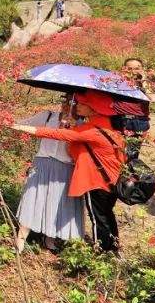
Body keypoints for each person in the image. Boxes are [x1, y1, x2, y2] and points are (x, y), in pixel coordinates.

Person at [12, 90, 125, 253]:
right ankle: (112, 250)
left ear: (93, 109)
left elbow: (59, 137)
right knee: (104, 215)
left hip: (94, 179)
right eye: (71, 102)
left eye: (79, 103)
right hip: (102, 179)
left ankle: (103, 251)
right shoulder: (101, 126)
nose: (74, 106)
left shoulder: (92, 129)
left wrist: (21, 127)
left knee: (97, 217)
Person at [13, 94, 83, 253]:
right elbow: (25, 124)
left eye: (73, 103)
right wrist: (9, 123)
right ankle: (21, 238)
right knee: (32, 197)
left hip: (65, 168)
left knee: (57, 203)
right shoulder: (48, 116)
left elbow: (73, 154)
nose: (67, 105)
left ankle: (50, 238)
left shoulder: (81, 125)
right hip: (43, 162)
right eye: (65, 100)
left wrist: (73, 131)